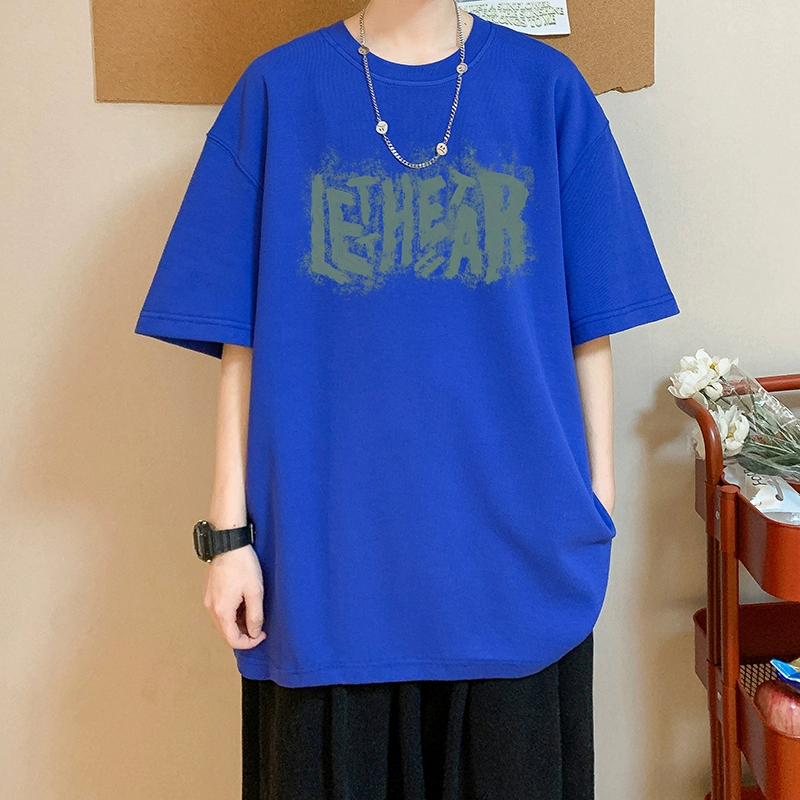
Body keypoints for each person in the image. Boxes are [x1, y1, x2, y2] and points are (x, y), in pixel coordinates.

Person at [134, 0, 680, 797]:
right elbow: (238, 341)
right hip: (326, 566)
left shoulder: (547, 91)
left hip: (513, 560)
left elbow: (589, 325)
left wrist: (598, 501)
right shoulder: (277, 93)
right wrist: (228, 538)